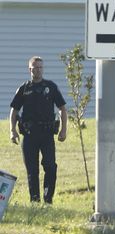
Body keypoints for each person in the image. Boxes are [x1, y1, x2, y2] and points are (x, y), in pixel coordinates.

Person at [9, 56, 67, 204]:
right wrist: (12, 130)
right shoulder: (24, 88)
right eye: (35, 67)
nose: (38, 70)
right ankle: (34, 201)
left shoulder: (51, 87)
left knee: (50, 166)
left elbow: (62, 109)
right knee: (32, 170)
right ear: (30, 69)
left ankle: (48, 200)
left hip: (47, 134)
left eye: (41, 67)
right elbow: (14, 111)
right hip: (29, 135)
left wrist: (63, 129)